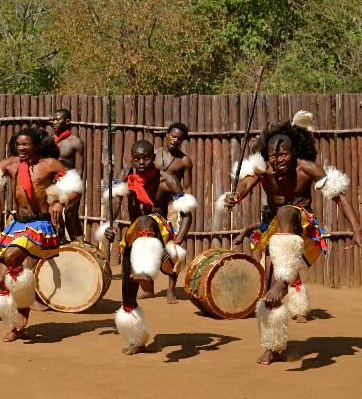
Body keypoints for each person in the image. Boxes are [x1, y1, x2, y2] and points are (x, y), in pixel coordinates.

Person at [217, 110, 362, 365]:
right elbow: (245, 185)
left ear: (294, 151)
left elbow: (341, 198)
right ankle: (273, 345)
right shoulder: (263, 170)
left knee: (287, 212)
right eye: (274, 154)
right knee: (269, 296)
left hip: (303, 226)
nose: (278, 159)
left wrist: (357, 231)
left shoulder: (307, 168)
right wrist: (235, 197)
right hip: (276, 232)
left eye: (283, 154)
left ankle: (283, 282)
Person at [0, 127, 83, 342]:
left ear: (37, 145)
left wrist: (60, 202)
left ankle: (21, 316)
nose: (21, 148)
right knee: (1, 277)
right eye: (18, 144)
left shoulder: (50, 165)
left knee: (11, 258)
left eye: (26, 144)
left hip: (41, 225)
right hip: (18, 225)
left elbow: (75, 190)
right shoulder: (11, 164)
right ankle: (17, 324)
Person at [102, 140, 197, 354]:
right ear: (131, 159)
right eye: (137, 158)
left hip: (159, 230)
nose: (142, 162)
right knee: (127, 292)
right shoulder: (126, 175)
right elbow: (115, 201)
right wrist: (110, 224)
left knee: (146, 220)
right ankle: (137, 340)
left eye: (146, 158)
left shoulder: (167, 180)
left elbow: (188, 214)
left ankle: (144, 270)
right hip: (133, 234)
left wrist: (177, 243)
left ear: (154, 158)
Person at [138, 122, 194, 300]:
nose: (176, 141)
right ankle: (148, 287)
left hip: (172, 205)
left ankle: (171, 290)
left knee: (173, 246)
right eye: (174, 136)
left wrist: (185, 206)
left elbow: (187, 186)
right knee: (147, 244)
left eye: (180, 139)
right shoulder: (153, 154)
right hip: (151, 205)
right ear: (167, 134)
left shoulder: (184, 161)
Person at [51, 109, 85, 241]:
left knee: (71, 218)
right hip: (52, 186)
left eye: (57, 119)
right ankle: (61, 249)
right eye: (53, 120)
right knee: (55, 219)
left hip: (69, 185)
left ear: (67, 122)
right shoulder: (50, 141)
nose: (54, 122)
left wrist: (74, 192)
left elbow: (79, 170)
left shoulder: (75, 142)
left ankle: (80, 250)